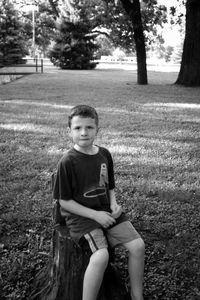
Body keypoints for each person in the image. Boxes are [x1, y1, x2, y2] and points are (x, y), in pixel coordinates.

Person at [53, 104, 145, 300]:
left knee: (138, 246)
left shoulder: (104, 154)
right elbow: (64, 202)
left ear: (97, 129)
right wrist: (96, 216)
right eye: (78, 128)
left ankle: (137, 296)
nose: (84, 133)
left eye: (89, 127)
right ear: (69, 131)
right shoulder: (67, 162)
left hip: (106, 211)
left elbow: (109, 185)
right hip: (82, 218)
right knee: (101, 255)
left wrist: (113, 204)